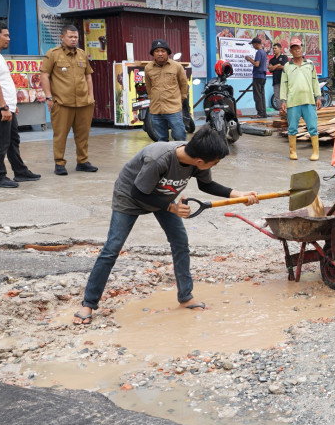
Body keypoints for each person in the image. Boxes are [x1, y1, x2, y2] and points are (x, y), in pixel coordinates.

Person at [72, 126, 259, 325]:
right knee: (112, 248)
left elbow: (206, 185)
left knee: (180, 243)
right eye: (215, 163)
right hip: (130, 196)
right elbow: (138, 193)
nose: (216, 165)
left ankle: (185, 297)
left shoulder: (197, 158)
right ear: (199, 161)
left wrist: (236, 194)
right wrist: (172, 207)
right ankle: (88, 304)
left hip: (163, 198)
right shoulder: (158, 158)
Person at [0, 21, 40, 188]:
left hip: (4, 107)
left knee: (12, 141)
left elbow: (2, 83)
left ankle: (20, 171)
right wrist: (4, 107)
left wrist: (11, 104)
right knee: (0, 143)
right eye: (5, 35)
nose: (9, 39)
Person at [40, 24, 97, 176]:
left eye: (76, 37)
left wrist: (91, 96)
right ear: (62, 37)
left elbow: (88, 76)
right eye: (70, 37)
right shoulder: (53, 54)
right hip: (62, 102)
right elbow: (44, 75)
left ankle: (83, 161)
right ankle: (59, 163)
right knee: (60, 134)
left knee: (83, 134)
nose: (73, 40)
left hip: (84, 103)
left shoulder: (82, 54)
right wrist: (49, 97)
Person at [280, 37, 322, 161]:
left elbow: (315, 82)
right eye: (294, 48)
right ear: (291, 51)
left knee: (312, 127)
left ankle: (315, 152)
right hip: (293, 102)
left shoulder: (310, 64)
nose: (297, 50)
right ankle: (292, 152)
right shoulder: (287, 66)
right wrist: (283, 100)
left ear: (302, 49)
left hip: (309, 101)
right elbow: (284, 84)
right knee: (292, 128)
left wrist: (318, 97)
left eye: (298, 47)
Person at [145, 39, 189, 142]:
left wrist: (181, 99)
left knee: (179, 136)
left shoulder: (177, 66)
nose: (160, 54)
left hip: (173, 107)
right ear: (153, 53)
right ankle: (165, 157)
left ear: (168, 53)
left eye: (163, 51)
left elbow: (183, 84)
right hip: (156, 109)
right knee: (161, 139)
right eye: (157, 51)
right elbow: (148, 86)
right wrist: (152, 98)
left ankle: (180, 156)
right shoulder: (148, 68)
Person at [245, 37, 268, 118]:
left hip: (257, 76)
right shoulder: (264, 52)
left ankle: (260, 113)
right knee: (262, 95)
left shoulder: (258, 52)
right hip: (263, 77)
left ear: (256, 44)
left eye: (253, 45)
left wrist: (249, 59)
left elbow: (257, 64)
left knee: (257, 95)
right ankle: (264, 113)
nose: (253, 46)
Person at [268, 42, 288, 111]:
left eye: (275, 48)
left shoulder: (284, 57)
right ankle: (281, 112)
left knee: (285, 97)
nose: (274, 50)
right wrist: (277, 65)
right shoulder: (272, 60)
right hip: (276, 81)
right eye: (273, 48)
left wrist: (275, 66)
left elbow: (284, 67)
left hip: (283, 81)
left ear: (280, 49)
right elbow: (270, 69)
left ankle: (287, 113)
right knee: (277, 98)